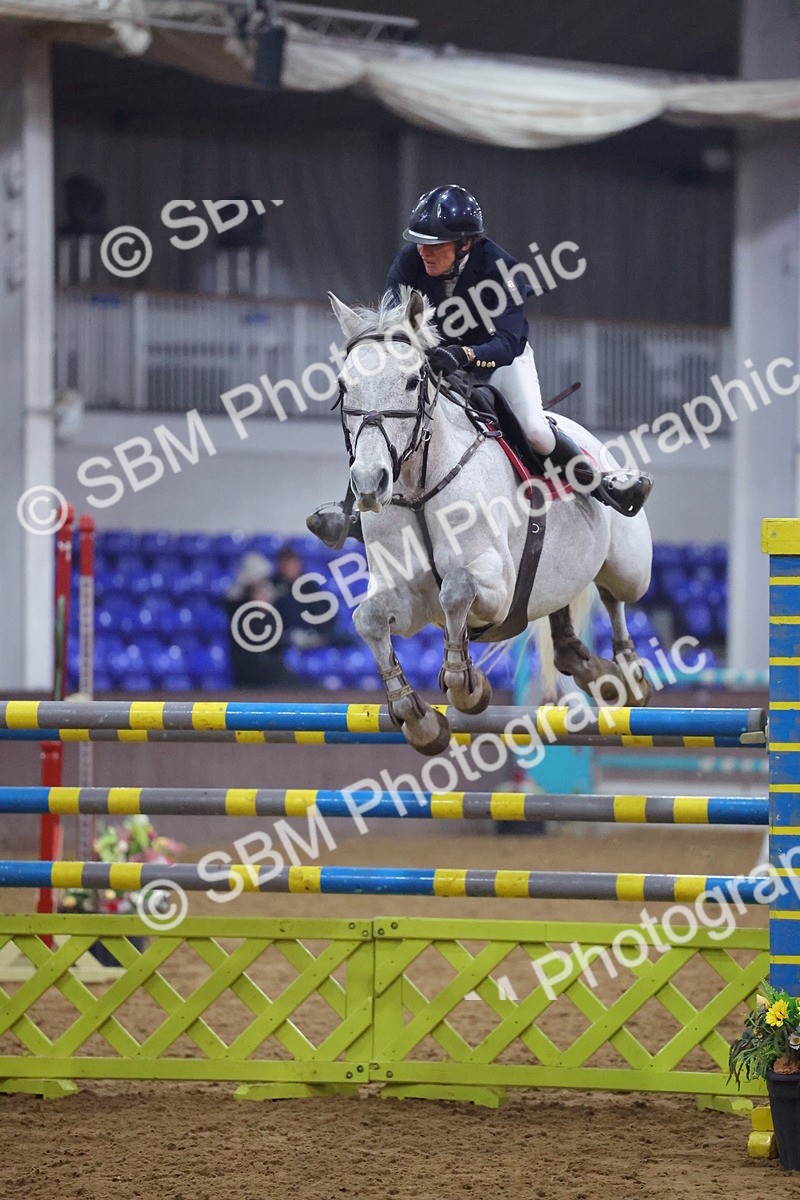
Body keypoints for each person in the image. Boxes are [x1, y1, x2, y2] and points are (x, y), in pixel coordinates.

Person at [308, 183, 652, 550]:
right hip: (436, 359)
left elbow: (506, 342)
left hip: (500, 358)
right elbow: (394, 326)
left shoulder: (503, 270)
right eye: (421, 242)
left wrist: (465, 355)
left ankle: (601, 484)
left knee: (534, 430)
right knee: (393, 414)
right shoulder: (409, 262)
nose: (424, 252)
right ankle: (354, 510)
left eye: (435, 245)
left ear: (466, 244)